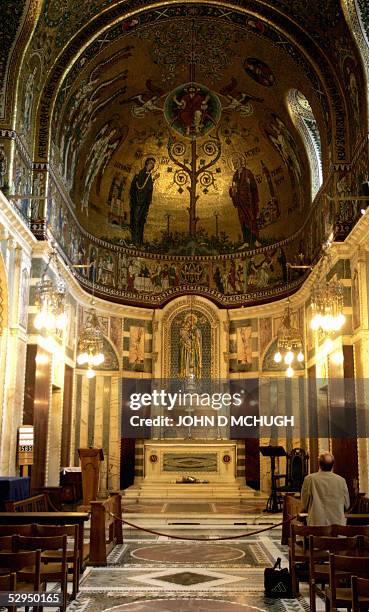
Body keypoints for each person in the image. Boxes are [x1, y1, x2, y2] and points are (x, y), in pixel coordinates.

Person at [301, 451, 350, 526]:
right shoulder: (341, 481)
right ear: (333, 465)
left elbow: (304, 504)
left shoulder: (310, 479)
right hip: (338, 527)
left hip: (316, 527)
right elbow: (347, 505)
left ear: (319, 464)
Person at [229, 157, 260, 247]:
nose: (235, 165)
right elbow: (234, 189)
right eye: (234, 163)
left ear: (241, 162)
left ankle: (255, 240)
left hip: (249, 201)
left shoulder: (247, 173)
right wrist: (232, 192)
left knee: (251, 219)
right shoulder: (235, 175)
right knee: (243, 221)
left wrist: (249, 185)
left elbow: (253, 187)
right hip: (240, 202)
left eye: (236, 162)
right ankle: (246, 241)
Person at [129, 157, 159, 245]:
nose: (152, 165)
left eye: (153, 164)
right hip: (138, 202)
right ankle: (134, 240)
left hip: (144, 203)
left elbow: (148, 189)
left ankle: (140, 241)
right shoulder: (140, 174)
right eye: (151, 163)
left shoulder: (149, 176)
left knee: (141, 221)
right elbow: (137, 187)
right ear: (146, 163)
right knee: (136, 220)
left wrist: (153, 180)